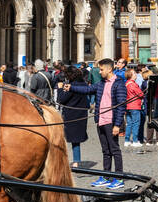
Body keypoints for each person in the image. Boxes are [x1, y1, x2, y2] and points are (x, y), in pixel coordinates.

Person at [69, 58, 125, 189]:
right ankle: (106, 176)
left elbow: (122, 106)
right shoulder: (101, 83)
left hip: (111, 121)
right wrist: (71, 87)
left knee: (115, 150)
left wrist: (117, 125)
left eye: (101, 69)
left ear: (109, 69)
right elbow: (87, 90)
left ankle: (119, 177)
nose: (99, 72)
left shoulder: (119, 83)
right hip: (101, 121)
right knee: (105, 150)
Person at [55, 66, 91, 168]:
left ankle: (65, 160)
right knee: (76, 140)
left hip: (71, 115)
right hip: (81, 114)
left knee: (65, 138)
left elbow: (61, 99)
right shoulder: (83, 84)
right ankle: (76, 161)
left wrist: (60, 89)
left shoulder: (71, 86)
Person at [123, 67, 144, 148]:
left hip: (128, 106)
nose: (136, 75)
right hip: (135, 106)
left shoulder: (127, 83)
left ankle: (127, 140)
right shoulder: (133, 84)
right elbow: (141, 94)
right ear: (131, 75)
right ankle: (135, 140)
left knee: (129, 124)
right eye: (134, 73)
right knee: (136, 124)